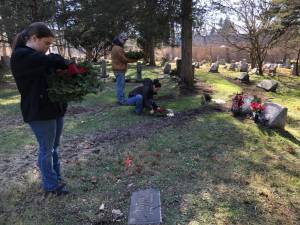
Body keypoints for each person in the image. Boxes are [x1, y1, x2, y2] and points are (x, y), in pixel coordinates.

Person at [10, 22, 70, 195]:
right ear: (34, 38)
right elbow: (51, 60)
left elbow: (49, 69)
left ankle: (56, 178)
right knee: (46, 149)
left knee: (54, 147)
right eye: (46, 43)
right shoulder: (21, 55)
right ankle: (51, 186)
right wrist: (61, 61)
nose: (47, 48)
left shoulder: (35, 56)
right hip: (39, 111)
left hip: (53, 108)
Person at [111, 33, 137, 105]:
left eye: (125, 40)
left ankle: (120, 99)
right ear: (119, 39)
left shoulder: (116, 47)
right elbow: (124, 59)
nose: (124, 41)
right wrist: (134, 60)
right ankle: (121, 101)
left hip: (118, 69)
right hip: (119, 69)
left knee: (120, 85)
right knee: (120, 85)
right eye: (123, 40)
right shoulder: (118, 48)